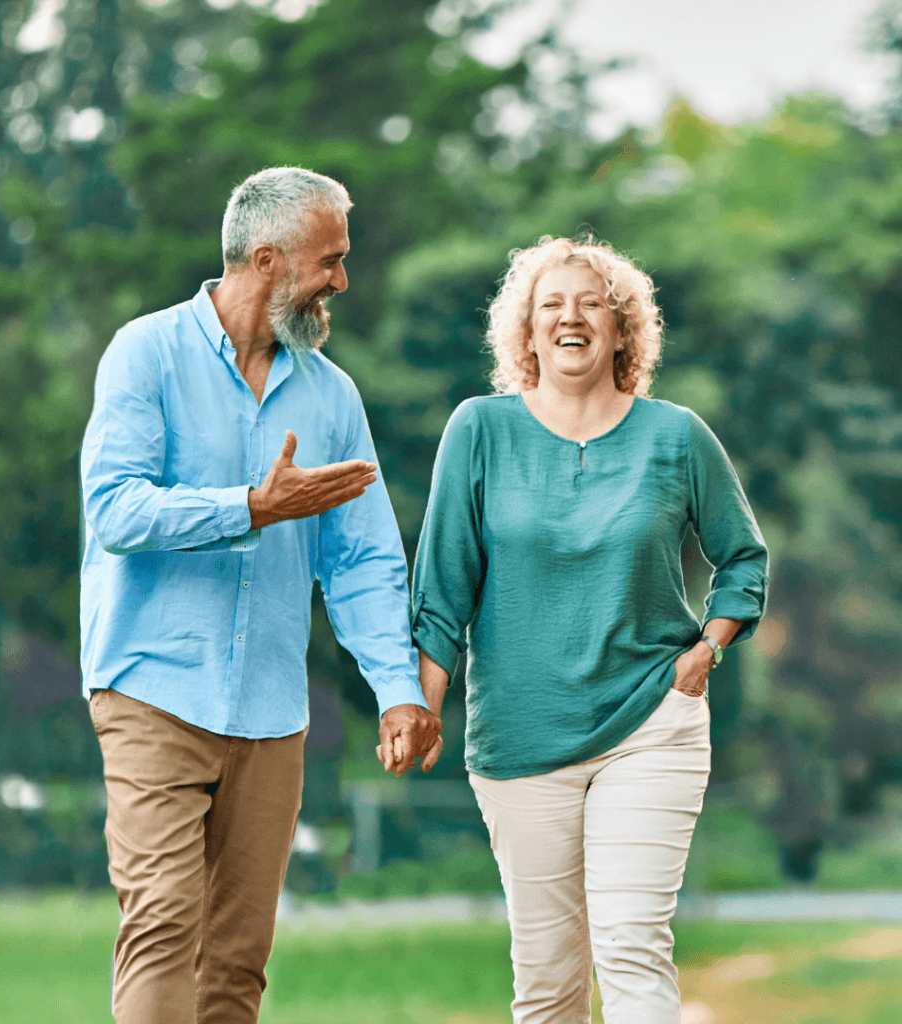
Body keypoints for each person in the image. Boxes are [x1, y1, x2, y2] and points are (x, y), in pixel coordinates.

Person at [80, 166, 441, 1024]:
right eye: (331, 261)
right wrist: (251, 507)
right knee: (164, 921)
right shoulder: (147, 352)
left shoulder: (332, 395)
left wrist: (396, 688)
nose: (341, 283)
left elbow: (360, 560)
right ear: (268, 259)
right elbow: (114, 509)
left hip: (271, 712)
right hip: (152, 690)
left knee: (238, 963)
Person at [410, 235, 768, 1023]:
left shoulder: (675, 437)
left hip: (651, 720)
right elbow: (442, 590)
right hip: (520, 736)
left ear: (621, 330)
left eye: (592, 303)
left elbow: (743, 559)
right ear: (528, 333)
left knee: (631, 944)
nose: (571, 317)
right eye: (552, 305)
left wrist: (707, 649)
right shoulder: (479, 431)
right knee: (547, 982)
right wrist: (421, 706)